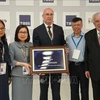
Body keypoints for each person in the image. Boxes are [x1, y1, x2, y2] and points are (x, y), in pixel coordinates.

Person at [33, 8, 66, 100]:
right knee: (43, 91)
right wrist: (38, 68)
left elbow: (63, 44)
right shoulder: (37, 30)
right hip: (43, 66)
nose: (49, 16)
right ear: (43, 16)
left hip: (57, 66)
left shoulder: (59, 29)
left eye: (51, 14)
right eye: (47, 14)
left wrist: (65, 49)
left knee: (56, 91)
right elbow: (36, 49)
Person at [66, 17, 89, 100]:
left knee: (85, 90)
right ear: (72, 26)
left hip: (83, 66)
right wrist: (67, 67)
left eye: (78, 25)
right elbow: (66, 54)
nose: (76, 27)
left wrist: (88, 68)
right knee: (73, 90)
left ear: (82, 25)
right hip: (72, 67)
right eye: (74, 25)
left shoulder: (86, 37)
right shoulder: (68, 38)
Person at [9, 25, 33, 100]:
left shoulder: (31, 45)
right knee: (17, 96)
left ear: (28, 34)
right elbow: (11, 61)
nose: (23, 34)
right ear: (17, 33)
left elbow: (35, 59)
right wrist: (23, 64)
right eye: (20, 32)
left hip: (28, 75)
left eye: (25, 32)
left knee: (27, 96)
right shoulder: (12, 45)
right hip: (17, 75)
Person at [85, 12, 100, 100]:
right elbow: (86, 53)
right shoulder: (88, 35)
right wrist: (87, 69)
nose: (99, 23)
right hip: (95, 72)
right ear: (94, 23)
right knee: (96, 96)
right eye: (97, 21)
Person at [0, 20, 11, 100]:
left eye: (2, 28)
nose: (0, 30)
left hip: (4, 75)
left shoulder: (4, 43)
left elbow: (7, 60)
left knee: (4, 95)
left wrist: (9, 75)